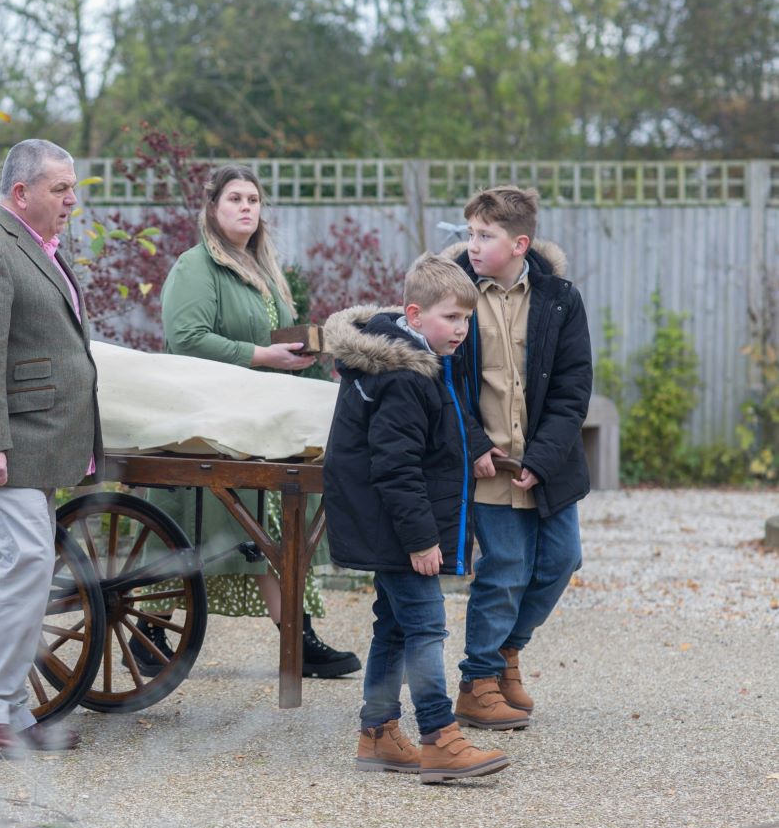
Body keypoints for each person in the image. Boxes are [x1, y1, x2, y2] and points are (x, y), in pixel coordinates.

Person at [144, 164, 358, 678]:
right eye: (235, 198)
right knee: (204, 529)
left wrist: (297, 353)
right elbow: (186, 339)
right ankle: (150, 628)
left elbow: (269, 340)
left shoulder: (263, 271)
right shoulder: (196, 267)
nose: (246, 207)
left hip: (259, 422)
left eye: (254, 200)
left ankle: (298, 638)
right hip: (209, 422)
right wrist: (264, 356)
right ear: (213, 209)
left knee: (272, 526)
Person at [0, 139, 101, 755]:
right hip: (1, 443)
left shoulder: (38, 249)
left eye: (72, 188)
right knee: (24, 561)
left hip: (32, 441)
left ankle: (5, 708)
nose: (71, 200)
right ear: (20, 193)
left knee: (15, 566)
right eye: (60, 188)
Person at [324, 254, 509, 783]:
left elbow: (447, 410)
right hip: (399, 528)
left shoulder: (417, 359)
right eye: (452, 318)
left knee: (396, 627)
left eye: (467, 319)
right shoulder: (404, 376)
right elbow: (396, 466)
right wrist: (422, 539)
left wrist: (473, 445)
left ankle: (378, 733)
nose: (461, 329)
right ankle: (439, 738)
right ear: (414, 312)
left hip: (391, 525)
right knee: (426, 627)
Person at [447, 186, 592, 729]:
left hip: (548, 464)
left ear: (519, 243)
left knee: (561, 559)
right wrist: (475, 444)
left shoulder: (559, 299)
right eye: (470, 234)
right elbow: (443, 382)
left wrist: (546, 456)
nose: (474, 244)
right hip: (486, 464)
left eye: (486, 235)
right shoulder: (454, 293)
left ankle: (507, 652)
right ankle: (478, 682)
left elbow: (573, 387)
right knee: (505, 567)